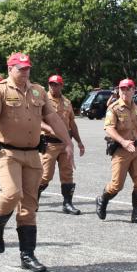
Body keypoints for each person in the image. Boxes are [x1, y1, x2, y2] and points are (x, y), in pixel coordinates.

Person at [0, 53, 73, 272]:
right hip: (8, 152)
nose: (25, 72)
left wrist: (67, 142)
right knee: (12, 193)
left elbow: (53, 119)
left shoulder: (38, 91)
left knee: (29, 207)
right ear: (10, 68)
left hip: (33, 154)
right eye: (20, 68)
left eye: (27, 68)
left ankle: (27, 255)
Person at [95, 79, 137, 224]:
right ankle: (102, 199)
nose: (124, 91)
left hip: (136, 151)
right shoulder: (114, 108)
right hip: (121, 151)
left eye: (128, 89)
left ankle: (136, 214)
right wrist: (123, 142)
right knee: (116, 185)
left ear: (134, 90)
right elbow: (108, 128)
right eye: (122, 89)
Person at [38, 75, 85, 214]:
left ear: (61, 86)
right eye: (51, 84)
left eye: (56, 84)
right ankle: (33, 199)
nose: (53, 87)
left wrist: (79, 142)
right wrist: (50, 129)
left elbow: (72, 124)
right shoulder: (42, 101)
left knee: (67, 174)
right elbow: (37, 121)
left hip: (65, 144)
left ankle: (67, 204)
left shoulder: (67, 102)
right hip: (50, 143)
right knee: (46, 175)